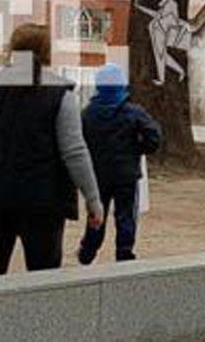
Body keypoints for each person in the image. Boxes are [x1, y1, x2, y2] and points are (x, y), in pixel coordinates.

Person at [0, 24, 105, 277]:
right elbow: (74, 151)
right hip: (41, 199)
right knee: (43, 276)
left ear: (12, 49)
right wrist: (92, 198)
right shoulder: (61, 94)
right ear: (48, 53)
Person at [77, 63, 162, 265]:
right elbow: (154, 137)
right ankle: (124, 251)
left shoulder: (88, 113)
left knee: (97, 212)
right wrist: (138, 149)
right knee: (126, 214)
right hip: (126, 174)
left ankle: (89, 249)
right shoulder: (133, 113)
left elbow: (80, 141)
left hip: (97, 174)